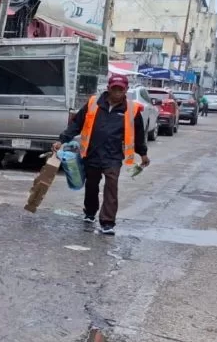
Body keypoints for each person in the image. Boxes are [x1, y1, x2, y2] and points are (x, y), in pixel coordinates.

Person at [53, 73, 150, 236]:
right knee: (91, 185)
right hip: (92, 153)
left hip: (113, 156)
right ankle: (90, 212)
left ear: (126, 90)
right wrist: (62, 140)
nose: (118, 93)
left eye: (121, 90)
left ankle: (107, 222)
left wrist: (143, 154)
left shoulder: (132, 110)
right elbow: (77, 123)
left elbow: (139, 134)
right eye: (115, 89)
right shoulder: (93, 103)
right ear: (109, 89)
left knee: (111, 188)